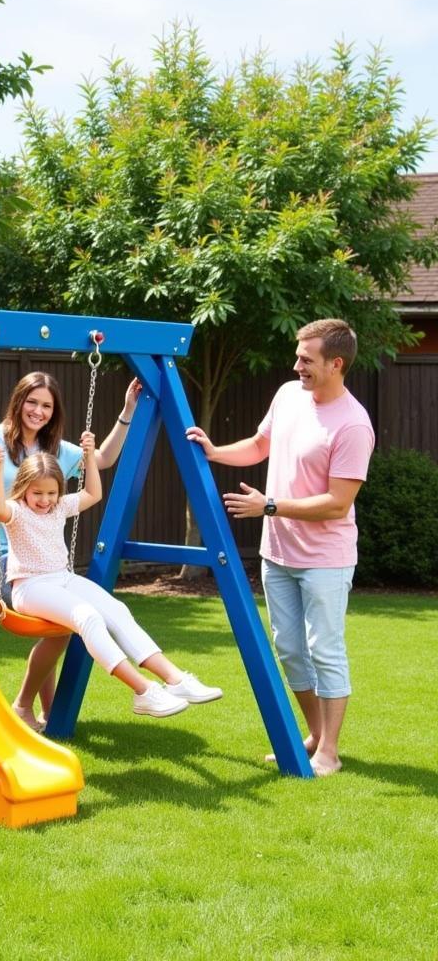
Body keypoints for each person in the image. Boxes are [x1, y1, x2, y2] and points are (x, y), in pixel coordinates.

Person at [186, 319, 374, 776]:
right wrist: (214, 451)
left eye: (306, 359)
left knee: (324, 649)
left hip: (325, 559)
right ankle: (313, 734)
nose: (297, 366)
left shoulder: (353, 425)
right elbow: (259, 444)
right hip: (279, 553)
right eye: (298, 356)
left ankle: (330, 751)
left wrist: (269, 506)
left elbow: (337, 503)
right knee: (289, 648)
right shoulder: (289, 396)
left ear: (336, 363)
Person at [0, 342, 140, 730]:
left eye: (47, 406)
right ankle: (24, 704)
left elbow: (103, 460)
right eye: (33, 402)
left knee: (60, 622)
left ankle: (48, 710)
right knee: (60, 623)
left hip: (39, 555)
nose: (38, 411)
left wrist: (126, 413)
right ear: (19, 401)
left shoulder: (54, 450)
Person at [0, 440, 222, 718]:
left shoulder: (59, 507)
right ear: (24, 487)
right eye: (37, 492)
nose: (45, 500)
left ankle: (176, 680)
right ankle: (144, 691)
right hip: (30, 586)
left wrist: (89, 458)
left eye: (51, 493)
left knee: (116, 609)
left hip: (62, 578)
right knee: (88, 617)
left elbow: (93, 493)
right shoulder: (16, 510)